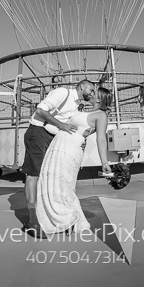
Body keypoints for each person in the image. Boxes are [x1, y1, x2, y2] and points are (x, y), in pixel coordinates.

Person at [22, 79, 96, 237]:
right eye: (91, 89)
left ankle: (50, 216)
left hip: (53, 138)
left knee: (48, 176)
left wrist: (80, 141)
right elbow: (40, 110)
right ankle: (32, 221)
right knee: (34, 175)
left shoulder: (77, 105)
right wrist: (61, 125)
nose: (92, 92)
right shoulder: (63, 93)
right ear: (81, 86)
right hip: (38, 133)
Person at [36, 86, 113, 235]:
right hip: (58, 144)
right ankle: (59, 219)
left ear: (99, 98)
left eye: (94, 92)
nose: (91, 93)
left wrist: (104, 162)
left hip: (70, 148)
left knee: (64, 184)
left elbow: (101, 139)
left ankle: (69, 219)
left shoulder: (101, 115)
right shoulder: (83, 110)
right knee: (51, 181)